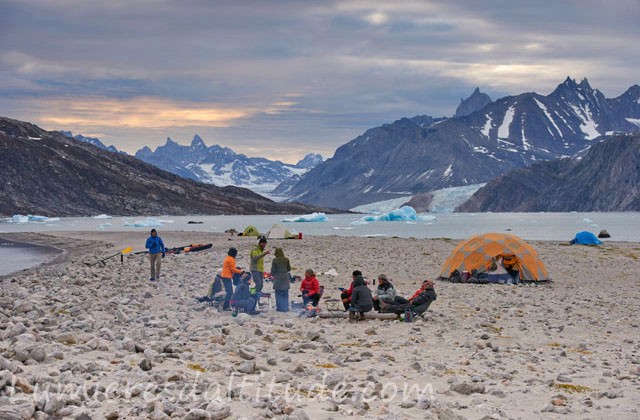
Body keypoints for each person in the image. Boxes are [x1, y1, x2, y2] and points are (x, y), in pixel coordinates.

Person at [270, 247, 291, 312]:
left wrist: (273, 275)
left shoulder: (275, 260)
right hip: (285, 277)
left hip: (278, 277)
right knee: (285, 292)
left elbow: (273, 270)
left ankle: (279, 307)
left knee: (278, 293)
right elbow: (289, 269)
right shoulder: (286, 259)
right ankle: (285, 307)